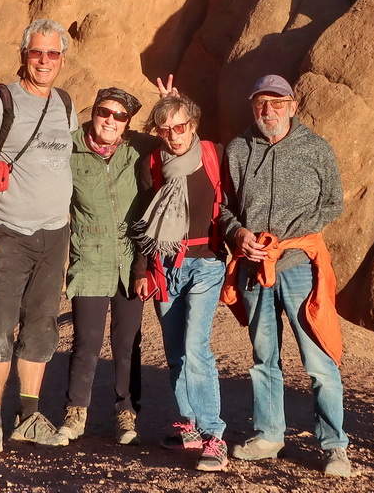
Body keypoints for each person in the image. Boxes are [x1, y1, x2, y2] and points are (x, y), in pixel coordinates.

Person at [217, 74, 352, 478]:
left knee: (320, 360)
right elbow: (224, 206)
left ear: (293, 106)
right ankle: (269, 436)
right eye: (261, 103)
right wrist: (238, 235)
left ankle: (334, 446)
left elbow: (332, 203)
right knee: (263, 358)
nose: (269, 111)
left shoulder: (315, 148)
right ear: (252, 106)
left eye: (278, 103)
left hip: (298, 267)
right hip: (255, 267)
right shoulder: (239, 149)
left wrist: (291, 237)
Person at [0, 19, 79, 461]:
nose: (45, 61)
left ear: (62, 60)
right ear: (24, 56)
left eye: (53, 54)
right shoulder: (2, 101)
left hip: (55, 234)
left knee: (41, 329)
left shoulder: (66, 104)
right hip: (9, 233)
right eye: (37, 53)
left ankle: (28, 417)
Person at [51, 87, 152, 447]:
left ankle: (127, 416)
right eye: (103, 112)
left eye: (119, 115)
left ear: (127, 123)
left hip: (130, 260)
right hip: (90, 259)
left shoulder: (138, 148)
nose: (110, 120)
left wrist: (172, 101)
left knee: (127, 343)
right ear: (93, 112)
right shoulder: (70, 149)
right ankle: (75, 413)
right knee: (87, 342)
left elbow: (180, 141)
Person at [133, 94, 229, 473]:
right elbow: (144, 222)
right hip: (166, 265)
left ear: (194, 124)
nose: (174, 135)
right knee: (174, 350)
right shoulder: (152, 163)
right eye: (166, 128)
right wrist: (141, 272)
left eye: (181, 126)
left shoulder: (214, 154)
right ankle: (188, 423)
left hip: (206, 262)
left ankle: (213, 435)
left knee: (196, 344)